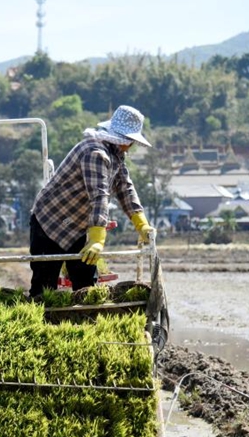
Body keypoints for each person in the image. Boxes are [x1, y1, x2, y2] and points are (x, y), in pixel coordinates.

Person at [28, 105, 156, 296]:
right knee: (44, 285)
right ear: (126, 140)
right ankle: (43, 321)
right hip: (51, 221)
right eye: (132, 142)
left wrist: (142, 224)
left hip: (75, 224)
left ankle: (85, 321)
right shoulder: (95, 153)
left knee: (86, 282)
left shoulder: (116, 156)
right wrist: (97, 238)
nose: (132, 145)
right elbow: (99, 195)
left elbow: (126, 189)